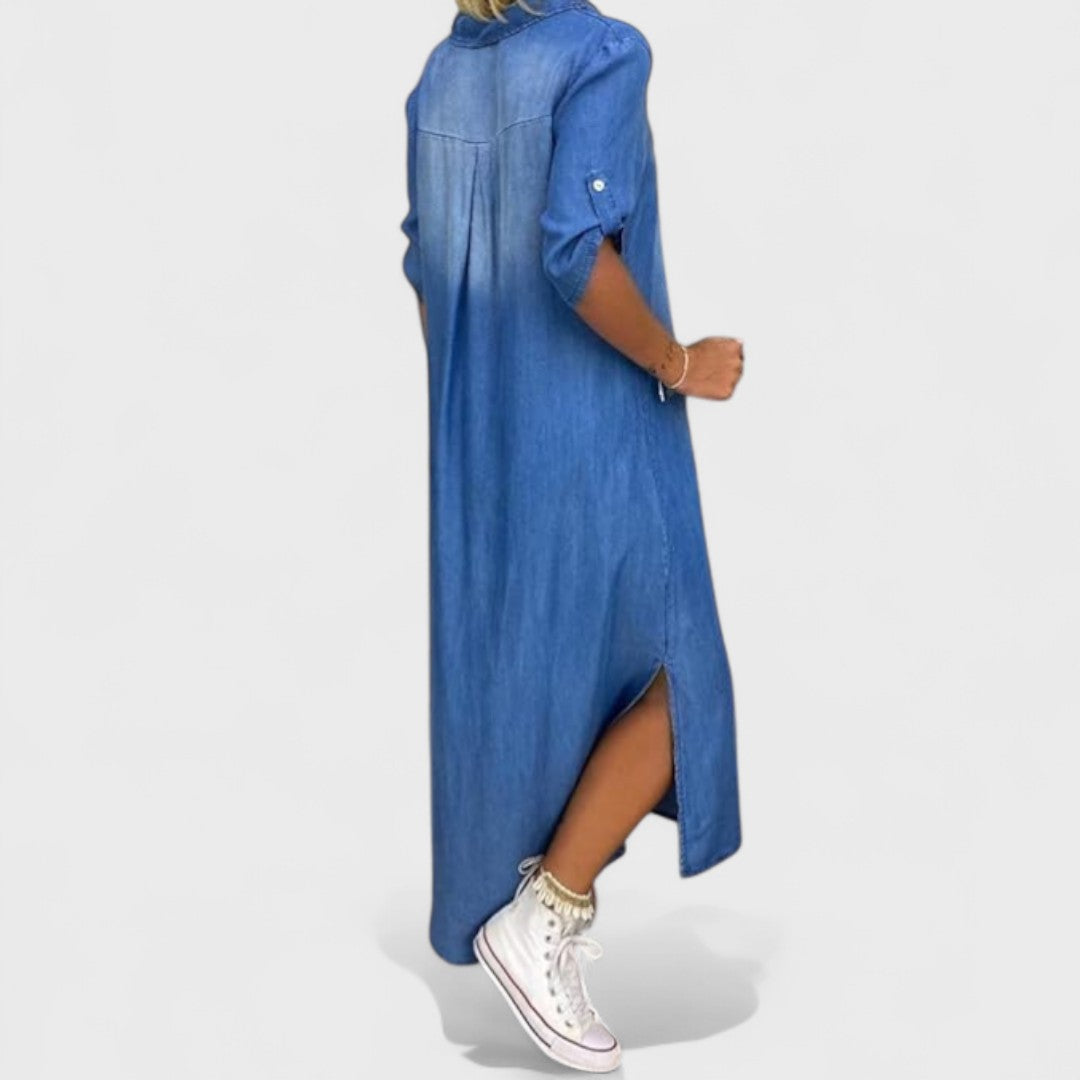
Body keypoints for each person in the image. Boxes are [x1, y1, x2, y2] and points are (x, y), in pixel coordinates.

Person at [400, 0, 745, 1070]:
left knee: (530, 677)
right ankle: (544, 912)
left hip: (480, 440)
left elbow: (429, 271)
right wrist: (680, 362)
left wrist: (479, 410)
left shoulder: (441, 76)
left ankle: (529, 903)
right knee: (686, 685)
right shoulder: (604, 53)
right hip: (596, 427)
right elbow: (572, 250)